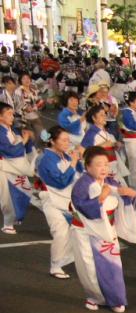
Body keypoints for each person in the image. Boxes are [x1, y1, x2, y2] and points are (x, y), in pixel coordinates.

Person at [69, 146, 136, 313]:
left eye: (106, 164)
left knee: (113, 264)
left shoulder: (110, 182)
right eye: (99, 164)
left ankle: (116, 298)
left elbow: (117, 192)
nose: (104, 168)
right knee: (88, 266)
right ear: (87, 167)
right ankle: (94, 297)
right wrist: (102, 197)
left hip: (107, 229)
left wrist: (125, 193)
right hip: (85, 231)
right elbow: (84, 207)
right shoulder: (82, 184)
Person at [37, 126, 82, 278]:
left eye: (68, 140)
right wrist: (74, 161)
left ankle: (65, 259)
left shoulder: (64, 156)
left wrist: (77, 160)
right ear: (52, 141)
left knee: (73, 232)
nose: (68, 143)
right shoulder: (46, 159)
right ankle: (55, 265)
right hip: (51, 198)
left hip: (67, 199)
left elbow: (76, 174)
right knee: (61, 232)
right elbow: (60, 181)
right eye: (64, 140)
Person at [0, 102, 35, 234]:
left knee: (21, 192)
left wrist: (27, 139)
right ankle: (8, 223)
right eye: (8, 114)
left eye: (12, 114)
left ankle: (13, 219)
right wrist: (24, 140)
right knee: (6, 196)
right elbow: (9, 150)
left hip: (14, 166)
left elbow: (21, 146)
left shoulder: (13, 130)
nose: (12, 116)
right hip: (3, 166)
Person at [81, 105, 129, 186]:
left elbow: (110, 147)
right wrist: (102, 146)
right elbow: (84, 153)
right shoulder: (91, 134)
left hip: (112, 166)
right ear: (94, 118)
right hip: (102, 169)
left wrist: (115, 145)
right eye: (101, 115)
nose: (105, 117)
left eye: (105, 114)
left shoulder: (106, 131)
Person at [14, 72, 45, 139]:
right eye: (24, 78)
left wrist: (44, 101)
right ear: (20, 81)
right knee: (30, 137)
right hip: (23, 118)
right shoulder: (18, 91)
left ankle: (49, 144)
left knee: (43, 133)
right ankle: (32, 148)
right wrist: (29, 108)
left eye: (28, 78)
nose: (26, 80)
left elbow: (39, 100)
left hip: (35, 115)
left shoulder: (33, 89)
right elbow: (20, 105)